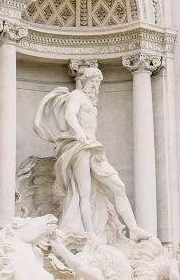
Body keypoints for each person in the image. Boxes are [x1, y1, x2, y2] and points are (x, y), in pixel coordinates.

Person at [33, 66, 150, 240]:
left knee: (118, 186)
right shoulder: (77, 95)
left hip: (94, 148)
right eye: (93, 82)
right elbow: (70, 115)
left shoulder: (91, 102)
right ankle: (90, 234)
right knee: (83, 193)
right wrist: (79, 131)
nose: (95, 87)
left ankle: (133, 229)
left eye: (98, 83)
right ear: (85, 82)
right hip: (80, 148)